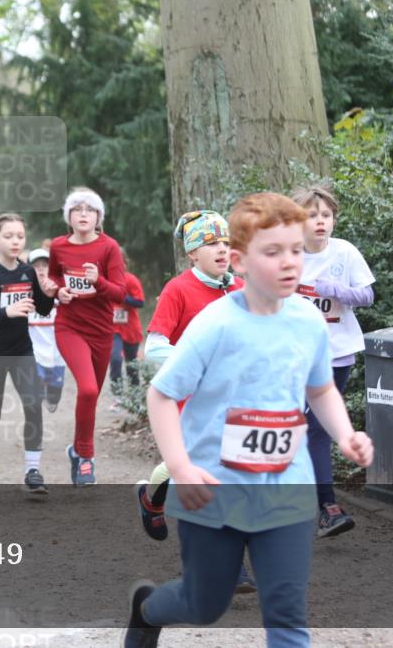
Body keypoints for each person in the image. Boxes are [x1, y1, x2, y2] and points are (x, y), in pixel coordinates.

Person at [124, 192, 374, 648]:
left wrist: (345, 434)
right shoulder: (215, 324)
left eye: (295, 249)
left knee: (287, 616)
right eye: (272, 252)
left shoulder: (308, 322)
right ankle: (147, 610)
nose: (290, 262)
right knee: (204, 604)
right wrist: (179, 467)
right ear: (239, 261)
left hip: (286, 488)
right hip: (213, 489)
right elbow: (161, 394)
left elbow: (320, 389)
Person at [134, 210, 255, 594]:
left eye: (226, 242)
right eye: (210, 243)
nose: (221, 249)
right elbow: (154, 347)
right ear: (191, 253)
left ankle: (153, 498)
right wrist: (199, 362)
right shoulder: (178, 289)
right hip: (194, 399)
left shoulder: (240, 288)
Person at [292, 184, 375, 538]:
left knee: (318, 428)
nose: (320, 221)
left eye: (326, 215)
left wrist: (336, 290)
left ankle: (327, 508)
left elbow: (367, 295)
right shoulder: (287, 255)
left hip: (337, 354)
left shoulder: (345, 252)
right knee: (292, 425)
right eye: (312, 215)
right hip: (294, 356)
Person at [46, 187, 126, 485]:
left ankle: (76, 450)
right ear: (68, 216)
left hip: (101, 330)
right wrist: (58, 291)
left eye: (89, 209)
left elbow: (120, 292)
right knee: (89, 389)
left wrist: (98, 281)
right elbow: (54, 276)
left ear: (98, 217)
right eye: (77, 209)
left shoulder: (109, 247)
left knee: (90, 397)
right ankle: (86, 457)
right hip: (69, 326)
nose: (83, 214)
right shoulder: (58, 246)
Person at [0, 213, 55, 494]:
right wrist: (6, 312)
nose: (15, 241)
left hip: (22, 351)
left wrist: (49, 293)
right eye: (8, 236)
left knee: (33, 404)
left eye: (20, 236)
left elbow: (42, 308)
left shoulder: (28, 271)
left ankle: (33, 471)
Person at [27, 248, 65, 413]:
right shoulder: (24, 293)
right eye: (36, 266)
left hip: (57, 351)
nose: (41, 270)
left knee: (55, 391)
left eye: (45, 265)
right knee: (37, 382)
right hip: (35, 349)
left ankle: (52, 395)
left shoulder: (59, 292)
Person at [110, 246, 145, 408]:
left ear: (125, 262)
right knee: (115, 359)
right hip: (112, 329)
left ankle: (135, 397)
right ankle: (117, 398)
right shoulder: (105, 281)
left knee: (131, 365)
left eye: (119, 261)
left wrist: (122, 296)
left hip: (131, 330)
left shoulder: (130, 280)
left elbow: (140, 302)